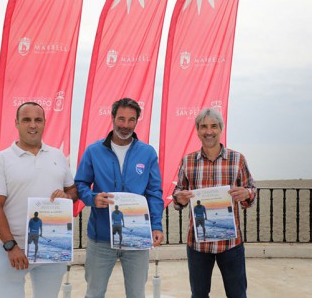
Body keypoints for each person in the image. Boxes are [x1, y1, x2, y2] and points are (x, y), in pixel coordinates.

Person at [0, 102, 78, 298]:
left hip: (51, 249)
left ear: (44, 123)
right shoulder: (2, 160)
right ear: (17, 123)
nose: (32, 125)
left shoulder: (58, 155)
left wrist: (67, 196)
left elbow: (72, 190)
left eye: (38, 120)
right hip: (10, 249)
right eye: (26, 120)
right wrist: (11, 246)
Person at [75, 97, 164, 298]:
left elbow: (154, 193)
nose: (125, 125)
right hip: (101, 239)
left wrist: (156, 225)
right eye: (121, 119)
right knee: (94, 293)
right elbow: (80, 183)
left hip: (137, 236)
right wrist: (92, 198)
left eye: (131, 120)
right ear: (113, 118)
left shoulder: (148, 153)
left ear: (136, 121)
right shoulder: (93, 151)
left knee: (136, 294)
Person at [172, 107, 257, 298]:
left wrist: (246, 194)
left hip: (231, 244)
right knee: (199, 295)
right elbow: (177, 193)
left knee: (237, 294)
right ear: (197, 130)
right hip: (198, 245)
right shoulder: (188, 161)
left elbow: (251, 191)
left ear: (221, 129)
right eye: (203, 127)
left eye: (213, 126)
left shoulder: (237, 159)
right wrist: (179, 197)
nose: (208, 131)